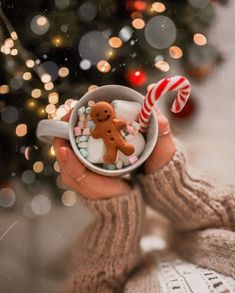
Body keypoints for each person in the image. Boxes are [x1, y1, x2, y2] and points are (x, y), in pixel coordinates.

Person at [54, 109, 235, 293]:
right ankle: (155, 216)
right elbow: (229, 212)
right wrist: (176, 188)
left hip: (129, 262)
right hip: (193, 231)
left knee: (67, 260)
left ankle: (147, 224)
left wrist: (117, 217)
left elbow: (90, 285)